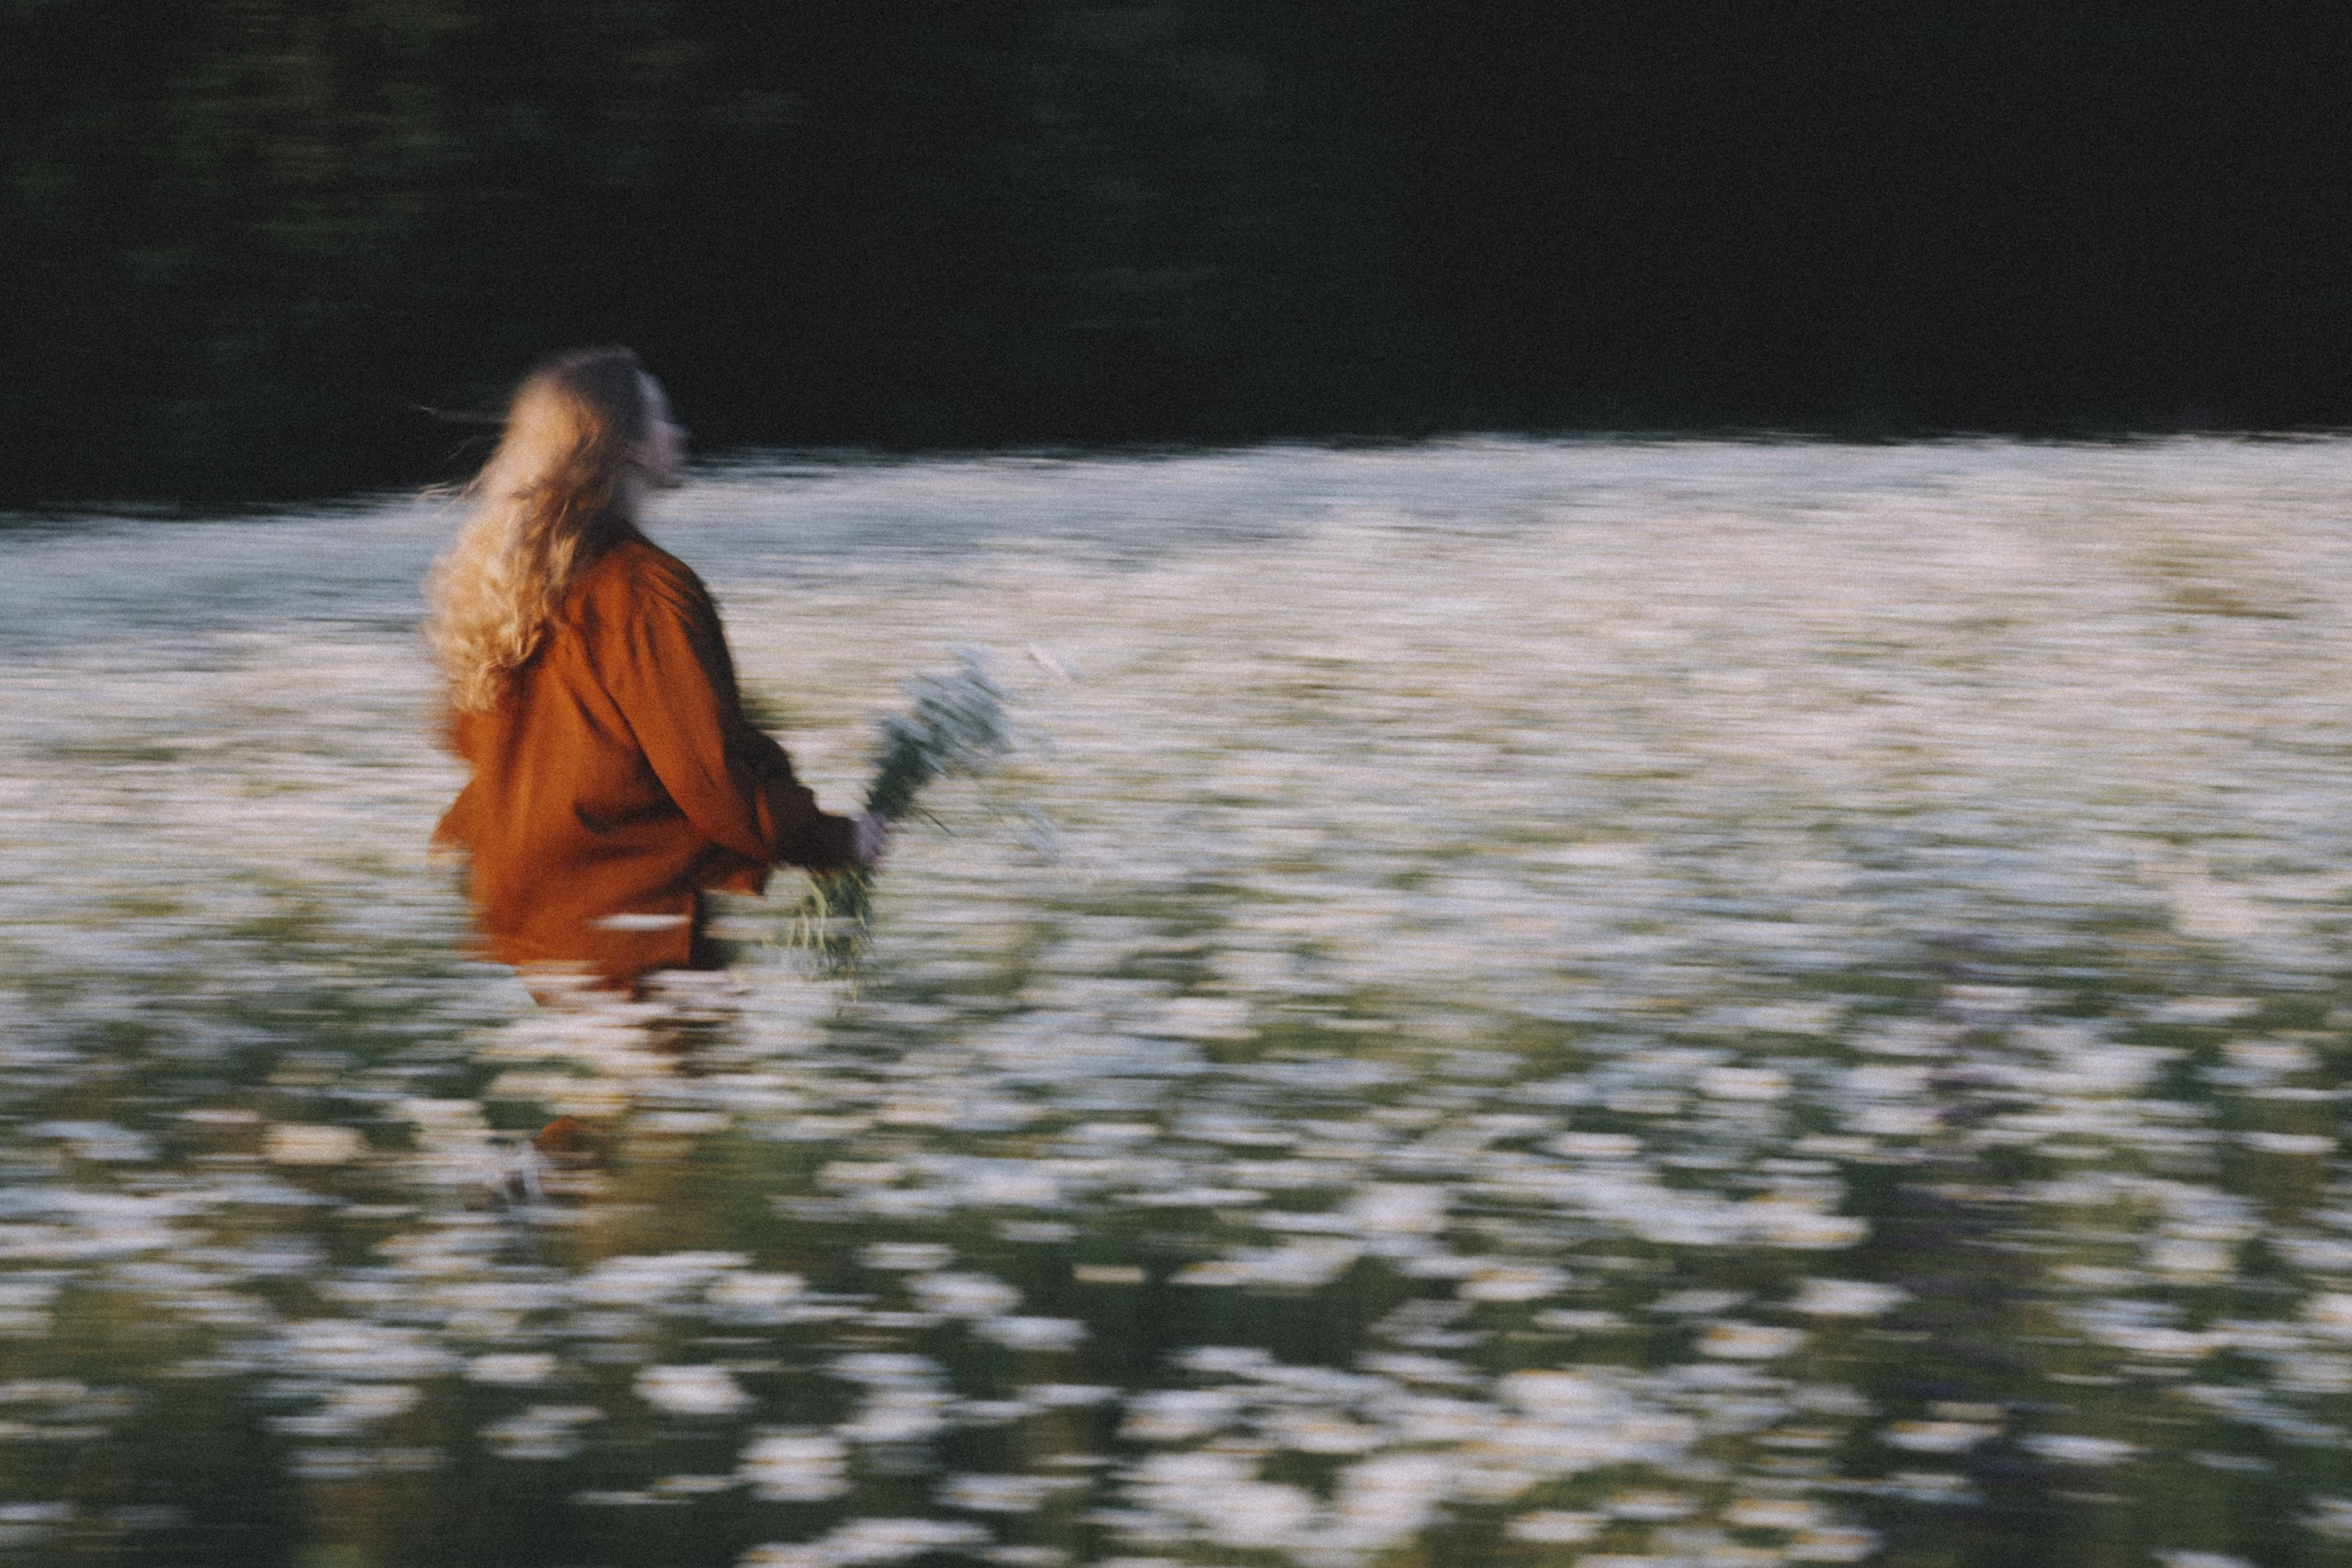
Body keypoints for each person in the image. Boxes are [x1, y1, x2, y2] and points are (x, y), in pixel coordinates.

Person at [425, 345, 884, 1001]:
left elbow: (484, 741)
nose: (680, 433)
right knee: (680, 1099)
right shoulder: (646, 590)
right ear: (630, 447)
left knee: (626, 1101)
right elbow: (712, 783)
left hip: (541, 918)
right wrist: (838, 838)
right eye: (663, 419)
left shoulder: (511, 587)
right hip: (631, 923)